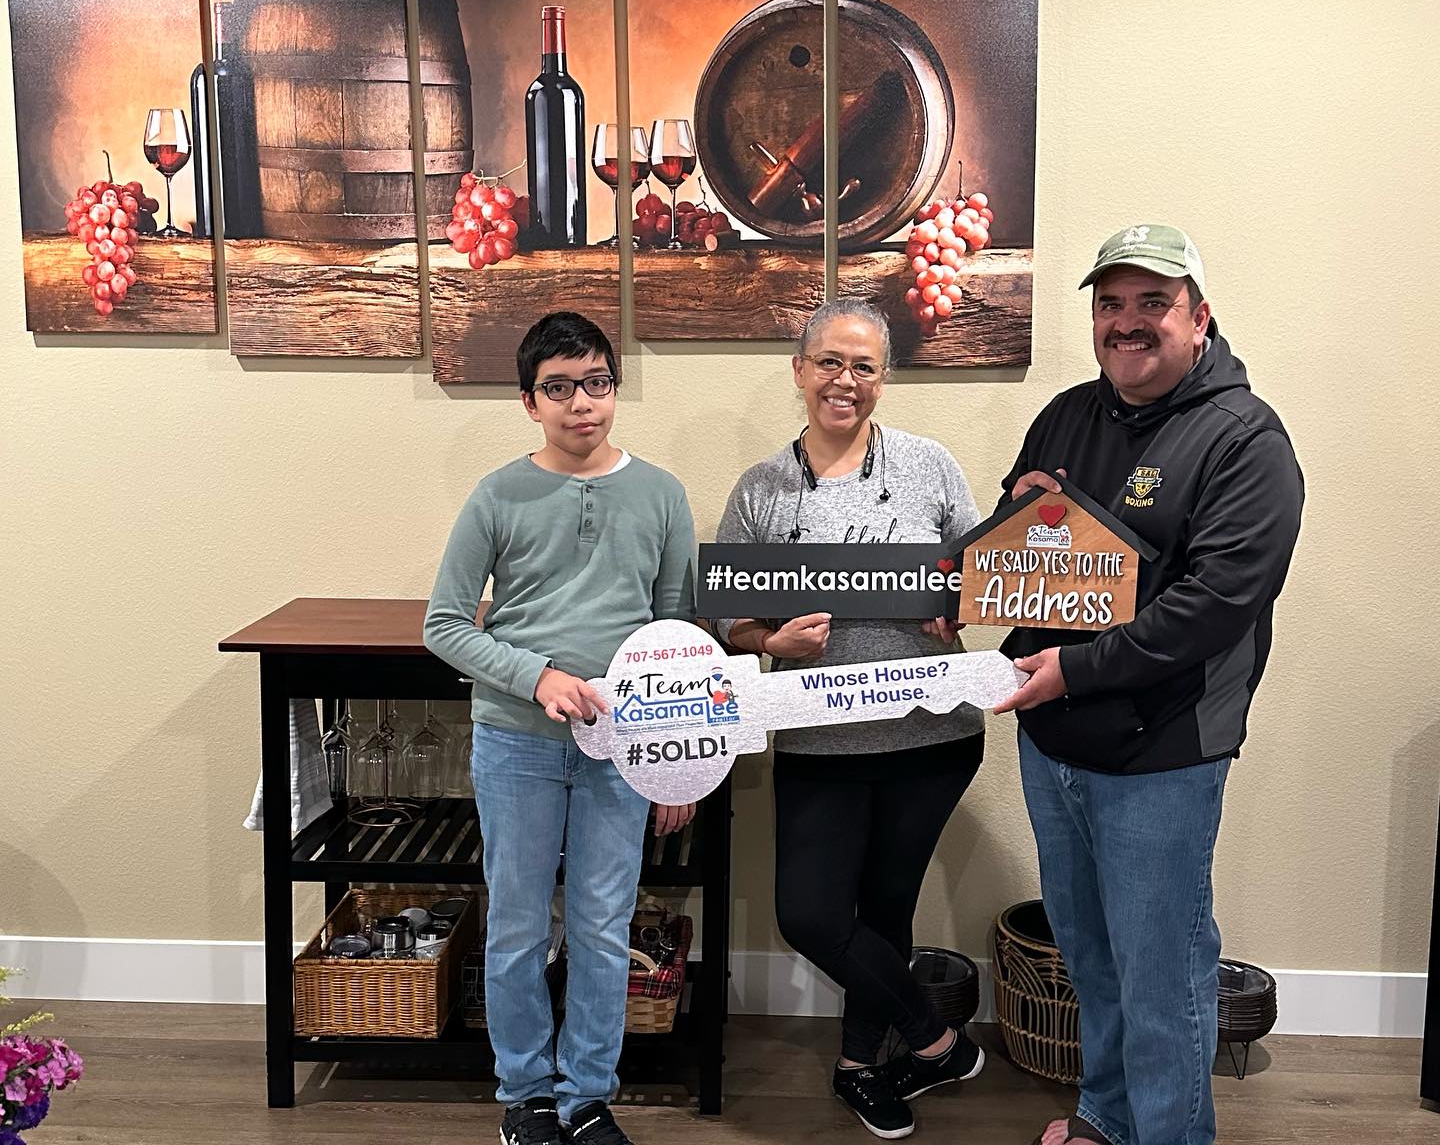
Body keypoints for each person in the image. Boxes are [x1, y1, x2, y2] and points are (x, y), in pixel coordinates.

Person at [993, 226, 1304, 1145]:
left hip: (1162, 753)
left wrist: (1072, 670)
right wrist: (997, 535)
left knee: (1161, 973)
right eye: (1110, 304)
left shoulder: (1246, 440)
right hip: (1053, 740)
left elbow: (1213, 607)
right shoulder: (1065, 415)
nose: (1126, 323)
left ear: (1199, 318)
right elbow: (1022, 551)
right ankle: (1107, 1115)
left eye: (1152, 303)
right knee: (1089, 956)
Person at [715, 298, 986, 1140]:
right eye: (829, 361)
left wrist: (957, 602)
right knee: (811, 915)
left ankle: (858, 1067)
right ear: (799, 371)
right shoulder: (760, 489)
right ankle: (938, 1041)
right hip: (818, 737)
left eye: (863, 366)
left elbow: (983, 573)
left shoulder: (930, 466)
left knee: (887, 908)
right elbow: (728, 618)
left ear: (884, 378)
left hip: (931, 735)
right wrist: (771, 639)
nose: (845, 380)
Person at [424, 312, 697, 1145]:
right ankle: (525, 1095)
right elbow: (444, 625)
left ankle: (586, 1097)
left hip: (622, 748)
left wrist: (673, 765)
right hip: (517, 741)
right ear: (529, 401)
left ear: (614, 389)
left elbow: (676, 632)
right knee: (515, 922)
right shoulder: (497, 495)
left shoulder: (662, 494)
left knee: (602, 924)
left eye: (597, 383)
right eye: (560, 388)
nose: (583, 403)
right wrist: (535, 675)